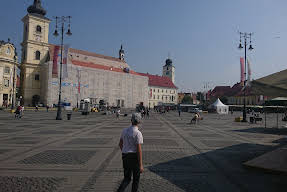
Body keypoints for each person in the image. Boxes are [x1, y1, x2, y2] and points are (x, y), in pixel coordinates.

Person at [117, 113, 144, 192]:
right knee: (136, 179)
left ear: (131, 120)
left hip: (125, 156)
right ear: (139, 122)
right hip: (134, 157)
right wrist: (141, 164)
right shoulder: (138, 133)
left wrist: (125, 151)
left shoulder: (124, 130)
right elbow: (139, 150)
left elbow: (120, 144)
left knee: (127, 178)